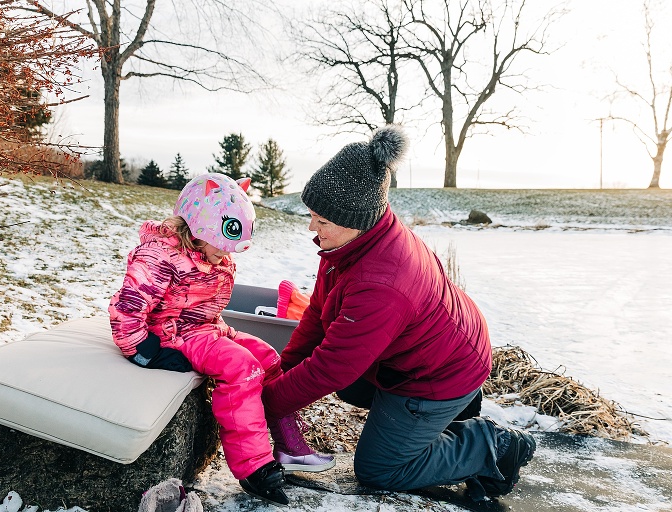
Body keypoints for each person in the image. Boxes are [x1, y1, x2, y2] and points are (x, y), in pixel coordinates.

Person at [261, 126, 536, 501]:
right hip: (425, 348)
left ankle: (492, 444)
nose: (312, 228)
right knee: (349, 383)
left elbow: (333, 364)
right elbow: (318, 314)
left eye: (322, 221)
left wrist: (267, 402)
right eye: (312, 216)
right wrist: (281, 372)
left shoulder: (382, 282)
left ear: (355, 219)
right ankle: (432, 422)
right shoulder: (353, 244)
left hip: (442, 371)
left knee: (380, 469)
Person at [108, 172, 334, 507]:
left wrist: (222, 330)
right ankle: (254, 467)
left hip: (206, 328)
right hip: (172, 333)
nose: (228, 256)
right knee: (241, 367)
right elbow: (129, 305)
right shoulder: (160, 254)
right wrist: (142, 350)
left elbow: (204, 307)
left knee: (268, 357)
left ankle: (289, 446)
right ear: (198, 227)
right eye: (224, 244)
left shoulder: (211, 253)